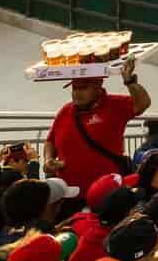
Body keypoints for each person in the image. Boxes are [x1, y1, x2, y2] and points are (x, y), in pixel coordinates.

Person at [44, 56, 151, 189]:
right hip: (69, 192)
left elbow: (143, 103)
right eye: (74, 88)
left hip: (106, 193)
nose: (77, 93)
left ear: (98, 86)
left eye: (83, 88)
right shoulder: (65, 111)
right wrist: (48, 160)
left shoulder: (115, 104)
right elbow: (51, 141)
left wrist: (129, 81)